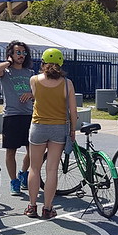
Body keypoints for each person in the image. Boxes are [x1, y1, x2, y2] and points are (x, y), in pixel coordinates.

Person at [25, 48, 77, 219]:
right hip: (59, 127)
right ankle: (47, 208)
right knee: (52, 169)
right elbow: (73, 112)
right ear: (61, 63)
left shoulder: (34, 80)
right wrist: (72, 131)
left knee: (34, 167)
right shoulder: (67, 83)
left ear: (43, 62)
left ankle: (32, 206)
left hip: (38, 126)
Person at [0, 40, 34, 197]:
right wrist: (8, 62)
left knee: (32, 151)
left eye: (23, 52)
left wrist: (31, 94)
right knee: (11, 152)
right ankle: (14, 181)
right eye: (18, 52)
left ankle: (23, 173)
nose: (21, 55)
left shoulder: (30, 73)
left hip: (29, 116)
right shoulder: (6, 73)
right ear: (11, 54)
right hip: (12, 116)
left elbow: (38, 92)